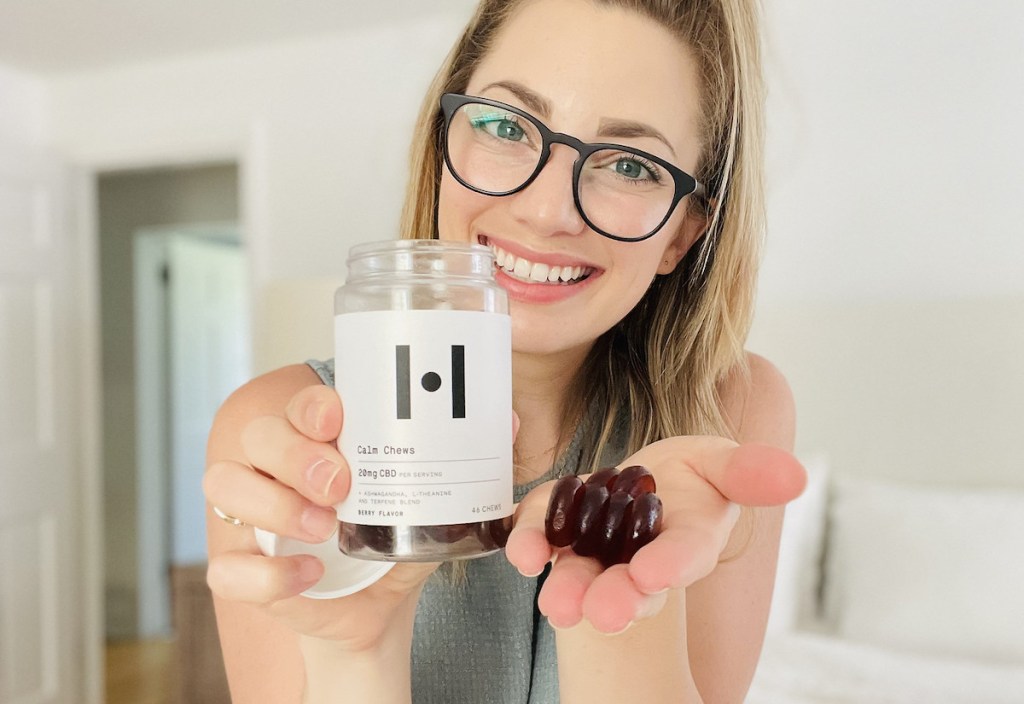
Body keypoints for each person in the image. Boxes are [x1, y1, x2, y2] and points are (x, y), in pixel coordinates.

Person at [202, 0, 805, 701]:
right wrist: (354, 656)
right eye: (503, 125)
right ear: (442, 146)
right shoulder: (286, 438)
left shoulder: (729, 415)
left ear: (681, 234)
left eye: (633, 167)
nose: (547, 211)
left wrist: (627, 600)